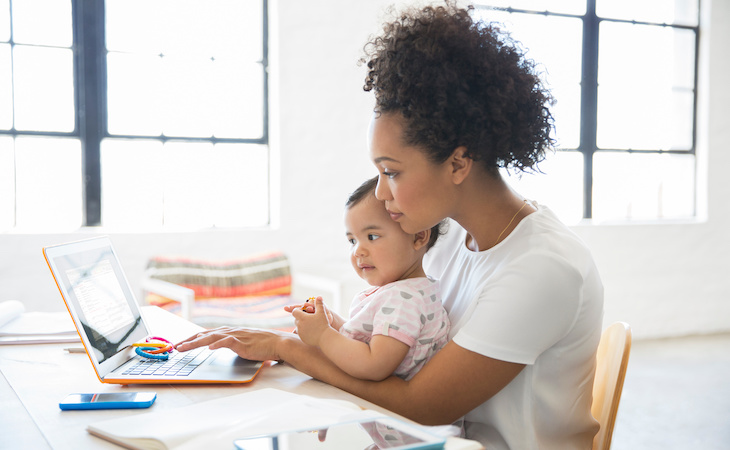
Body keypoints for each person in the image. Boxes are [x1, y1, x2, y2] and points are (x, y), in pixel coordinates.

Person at [175, 3, 604, 449]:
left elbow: (422, 404)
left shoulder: (542, 268)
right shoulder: (450, 235)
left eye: (392, 172)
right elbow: (401, 345)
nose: (381, 193)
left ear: (458, 162)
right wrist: (307, 337)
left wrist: (288, 349)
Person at [285, 176, 449, 383]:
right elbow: (369, 341)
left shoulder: (404, 299)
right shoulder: (411, 291)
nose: (358, 251)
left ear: (418, 237)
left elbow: (374, 365)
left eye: (371, 236)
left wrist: (323, 335)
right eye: (352, 240)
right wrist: (332, 322)